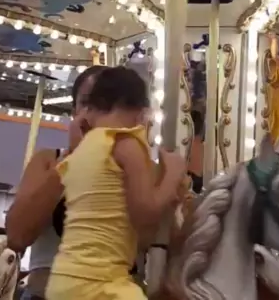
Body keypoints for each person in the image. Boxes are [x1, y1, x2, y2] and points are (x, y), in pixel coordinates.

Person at [46, 66, 187, 300]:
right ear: (141, 112)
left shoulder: (82, 150)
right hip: (100, 283)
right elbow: (145, 213)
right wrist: (173, 174)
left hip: (63, 278)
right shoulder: (125, 143)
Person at [6, 65, 105, 299]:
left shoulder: (134, 169)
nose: (96, 113)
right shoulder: (48, 161)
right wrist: (72, 159)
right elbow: (17, 237)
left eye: (107, 103)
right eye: (88, 103)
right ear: (75, 111)